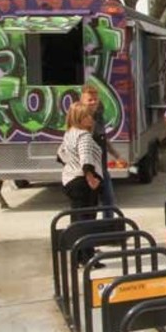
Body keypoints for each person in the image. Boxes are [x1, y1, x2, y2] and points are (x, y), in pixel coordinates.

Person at [58, 102, 103, 263]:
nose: (91, 119)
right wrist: (91, 178)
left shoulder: (69, 133)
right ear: (78, 118)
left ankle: (77, 255)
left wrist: (71, 164)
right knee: (87, 219)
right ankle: (87, 256)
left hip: (69, 179)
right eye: (86, 116)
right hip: (83, 182)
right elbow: (86, 159)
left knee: (76, 219)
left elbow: (60, 154)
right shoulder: (84, 136)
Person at [80, 84, 122, 217]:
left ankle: (108, 225)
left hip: (101, 167)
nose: (93, 102)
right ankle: (88, 227)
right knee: (89, 205)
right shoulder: (81, 118)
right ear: (82, 100)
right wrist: (88, 174)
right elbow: (83, 145)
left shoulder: (99, 116)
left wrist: (115, 154)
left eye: (95, 99)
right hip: (88, 168)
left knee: (108, 200)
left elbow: (102, 137)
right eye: (90, 100)